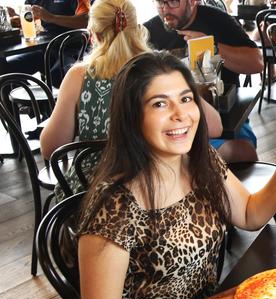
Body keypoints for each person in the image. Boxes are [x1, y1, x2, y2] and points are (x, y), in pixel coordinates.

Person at [77, 51, 276, 299]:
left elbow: (249, 214)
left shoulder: (200, 160)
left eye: (186, 99)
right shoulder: (115, 205)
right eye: (160, 103)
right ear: (132, 117)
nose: (181, 115)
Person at [41, 0, 220, 201]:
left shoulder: (79, 76)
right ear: (138, 29)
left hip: (92, 194)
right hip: (158, 189)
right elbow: (214, 127)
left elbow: (51, 148)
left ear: (94, 35)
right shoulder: (160, 71)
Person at [144, 0, 263, 162]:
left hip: (223, 118)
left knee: (243, 153)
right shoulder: (149, 31)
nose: (165, 9)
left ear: (193, 2)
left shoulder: (218, 21)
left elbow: (256, 63)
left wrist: (213, 46)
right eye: (159, 2)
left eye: (172, 2)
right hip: (174, 124)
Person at [1, 1, 93, 87]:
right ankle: (35, 103)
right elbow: (31, 20)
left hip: (73, 47)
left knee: (59, 76)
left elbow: (87, 20)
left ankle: (55, 101)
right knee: (5, 70)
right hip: (44, 49)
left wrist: (51, 18)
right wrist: (16, 17)